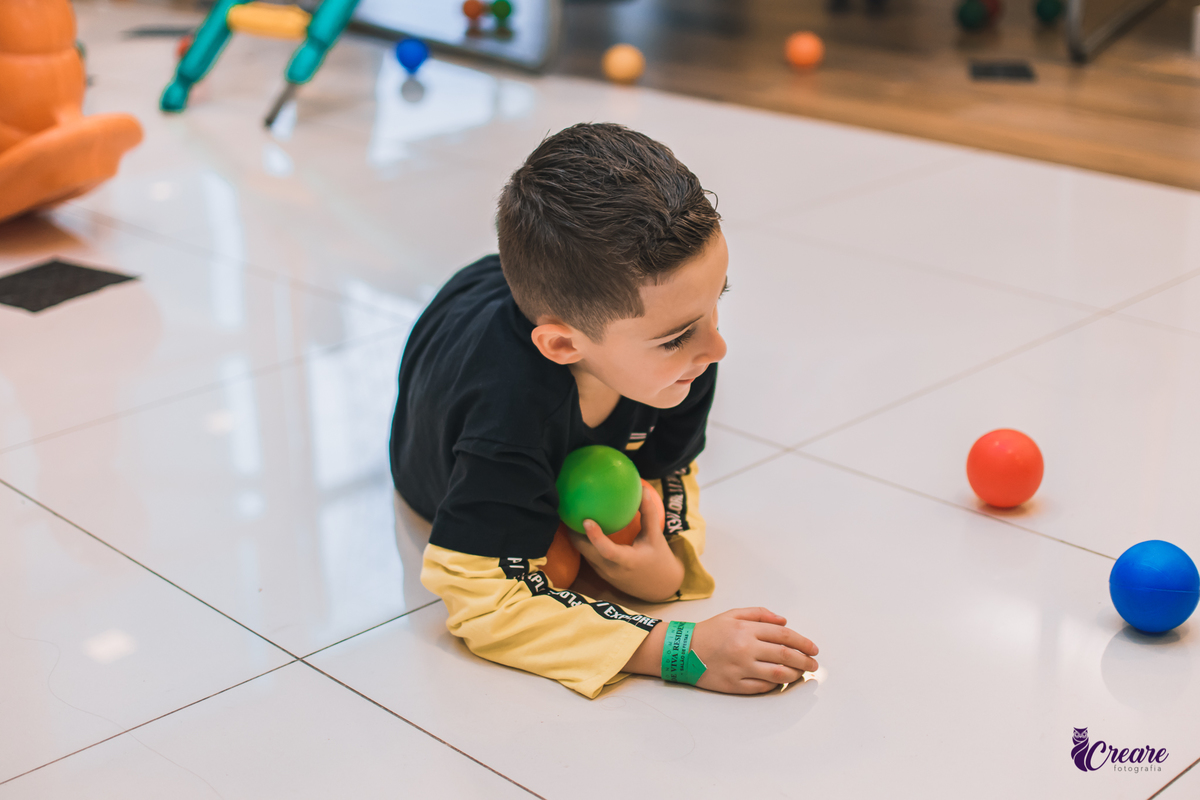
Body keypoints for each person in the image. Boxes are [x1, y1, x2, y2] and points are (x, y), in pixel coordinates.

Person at [390, 122, 819, 698]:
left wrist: (670, 559)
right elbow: (482, 600)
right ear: (563, 347)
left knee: (579, 560)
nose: (716, 348)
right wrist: (676, 648)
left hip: (550, 304)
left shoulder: (686, 356)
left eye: (716, 300)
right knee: (554, 567)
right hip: (470, 364)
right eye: (676, 336)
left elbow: (670, 468)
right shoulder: (506, 414)